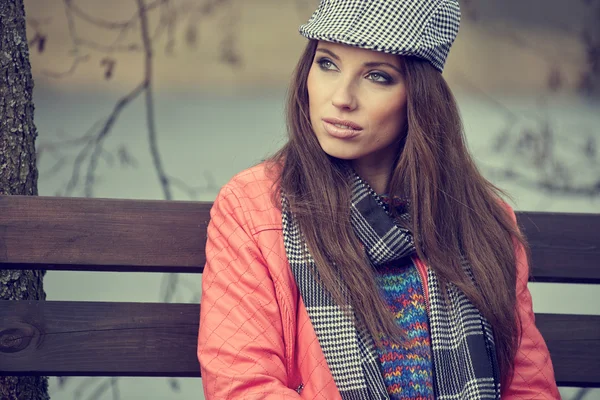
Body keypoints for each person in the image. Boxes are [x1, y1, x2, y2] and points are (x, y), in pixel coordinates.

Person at [198, 0, 561, 399]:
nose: (342, 97)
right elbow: (244, 386)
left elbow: (529, 388)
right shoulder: (253, 207)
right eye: (328, 64)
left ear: (419, 97)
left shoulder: (482, 223)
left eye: (377, 76)